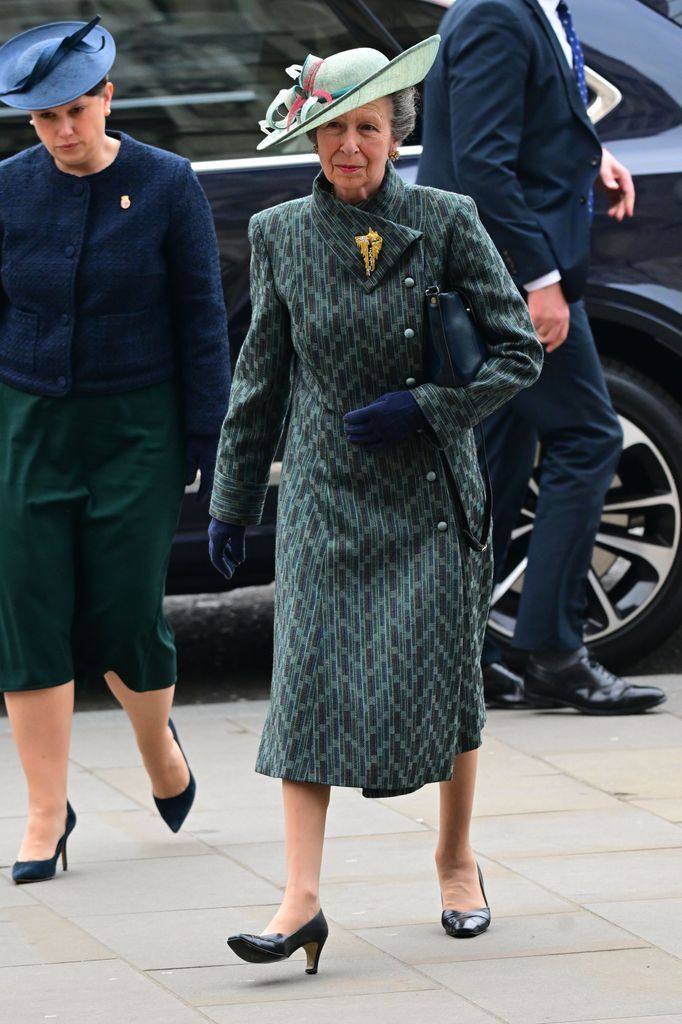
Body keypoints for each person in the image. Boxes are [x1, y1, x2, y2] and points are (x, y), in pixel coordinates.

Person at [208, 37, 542, 972]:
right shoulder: (278, 234)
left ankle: (456, 860)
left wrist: (427, 408)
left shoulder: (447, 219)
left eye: (366, 129)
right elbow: (259, 379)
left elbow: (520, 352)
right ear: (311, 141)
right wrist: (232, 501)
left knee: (447, 690)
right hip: (324, 498)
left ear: (395, 134)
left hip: (430, 496)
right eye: (331, 133)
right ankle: (301, 899)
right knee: (307, 688)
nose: (348, 147)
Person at [0, 17, 230, 883]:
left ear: (107, 99)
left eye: (74, 111)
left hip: (138, 427)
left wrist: (211, 439)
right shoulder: (8, 190)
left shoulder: (168, 184)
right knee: (26, 607)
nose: (62, 131)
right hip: (28, 422)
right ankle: (43, 812)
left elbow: (202, 321)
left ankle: (157, 748)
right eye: (42, 118)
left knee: (124, 612)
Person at [417, 0, 666, 714]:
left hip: (496, 276)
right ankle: (555, 651)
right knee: (588, 436)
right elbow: (482, 168)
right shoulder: (498, 12)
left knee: (499, 455)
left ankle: (464, 652)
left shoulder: (533, 7)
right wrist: (539, 283)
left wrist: (592, 154)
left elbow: (514, 121)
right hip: (507, 281)